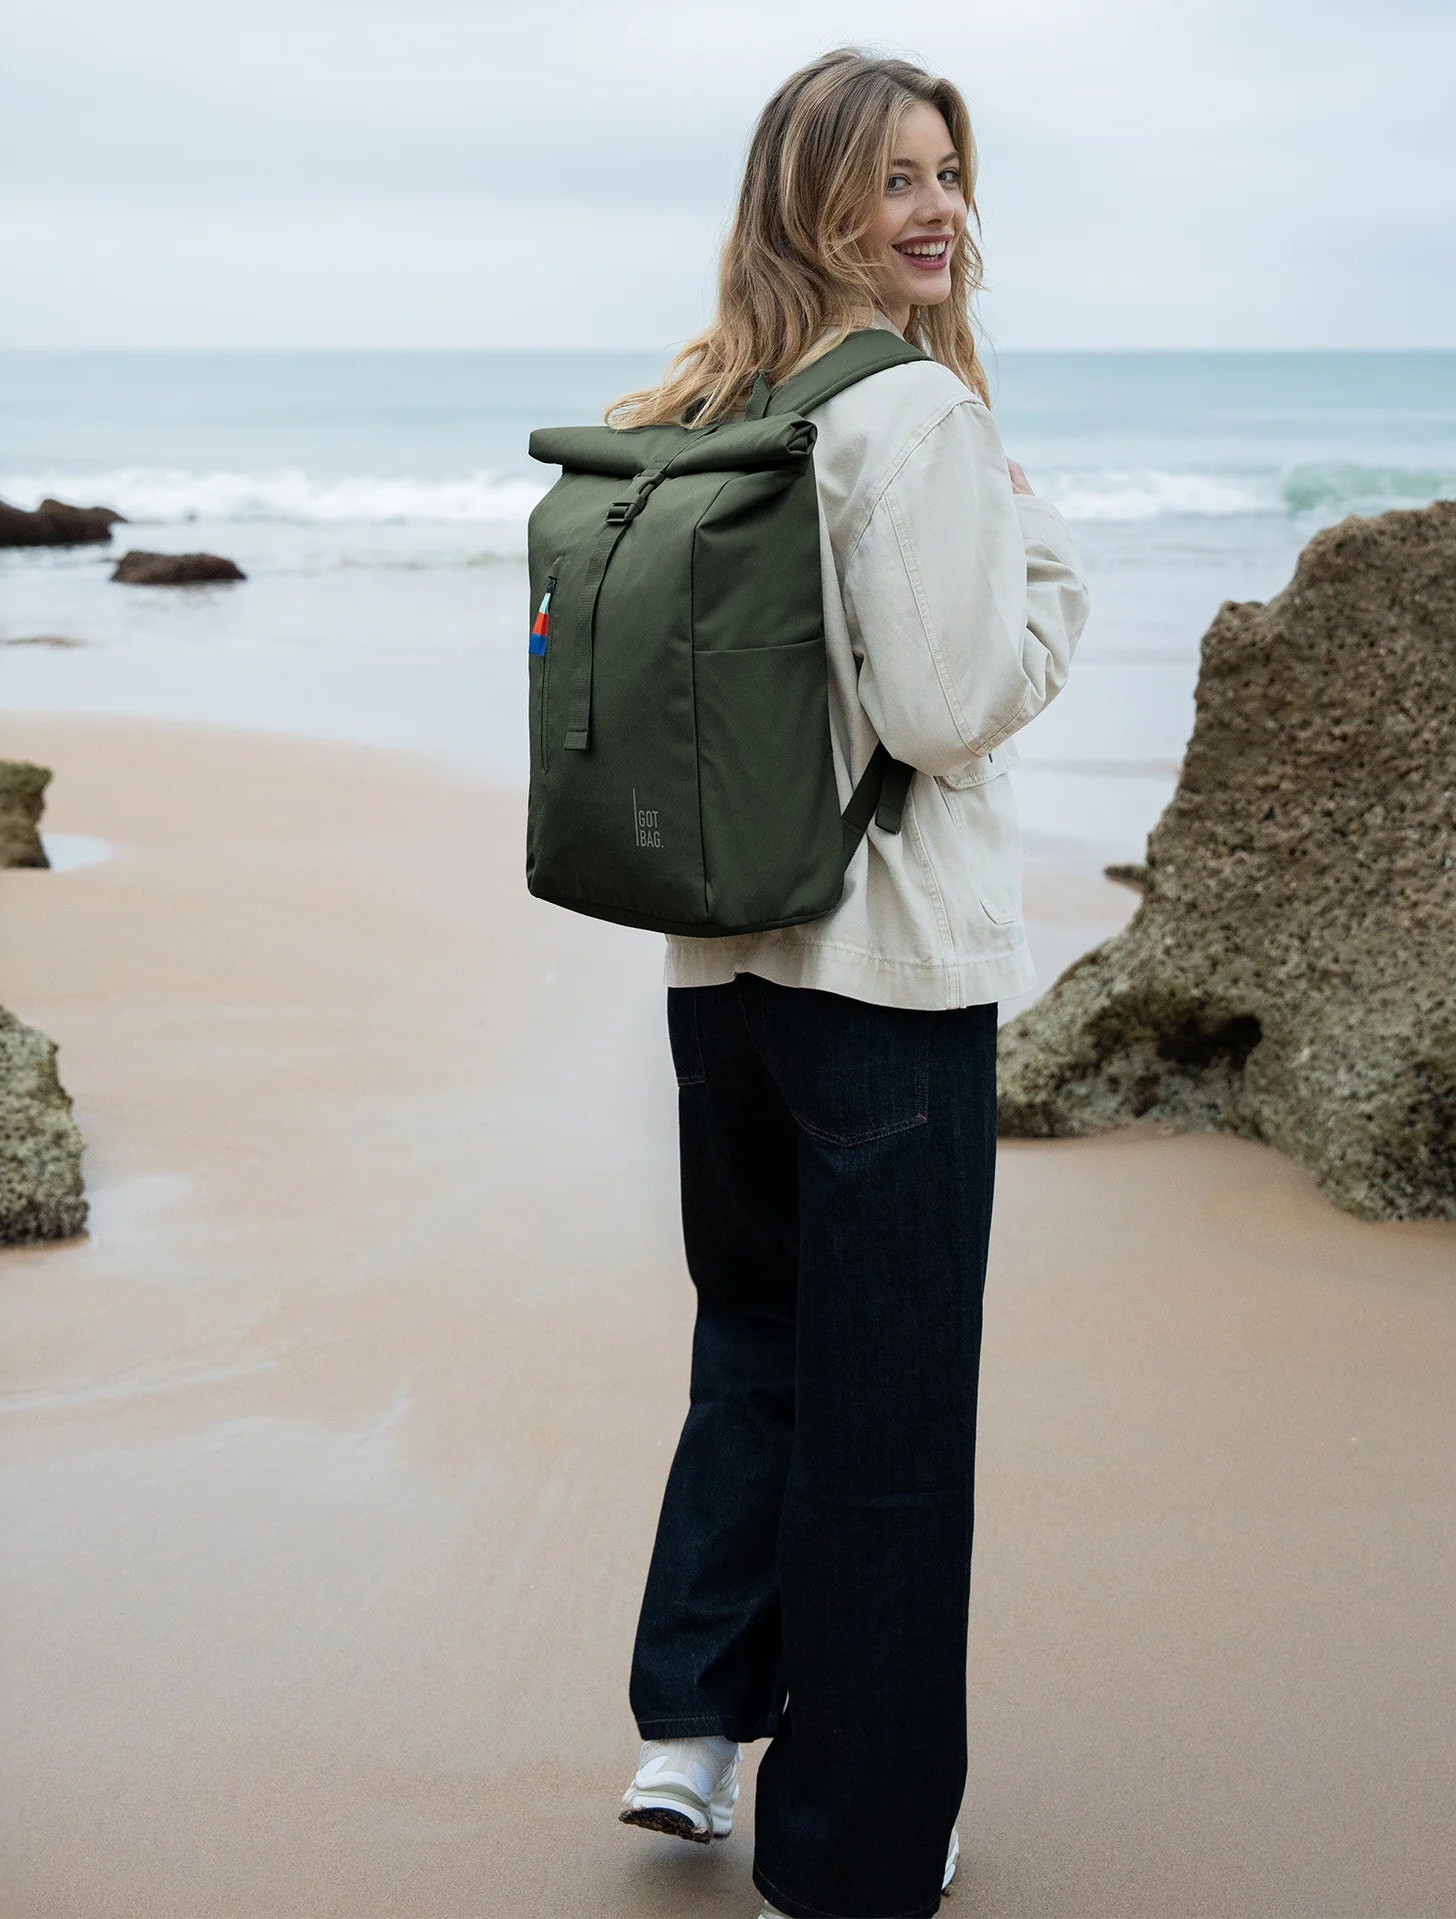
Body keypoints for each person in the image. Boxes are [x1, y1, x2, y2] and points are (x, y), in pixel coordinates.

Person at [608, 44, 1090, 1919]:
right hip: (885, 985)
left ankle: (691, 1722)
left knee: (755, 1344)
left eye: (949, 172)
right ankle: (859, 1850)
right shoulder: (911, 415)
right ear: (814, 200)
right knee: (890, 1424)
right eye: (895, 177)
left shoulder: (703, 403)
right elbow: (949, 705)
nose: (937, 209)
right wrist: (1050, 571)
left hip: (720, 970)